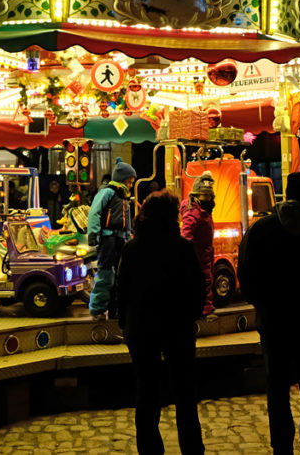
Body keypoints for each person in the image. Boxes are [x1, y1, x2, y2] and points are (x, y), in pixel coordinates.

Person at [238, 172, 300, 455]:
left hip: (274, 320)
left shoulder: (261, 229)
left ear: (285, 193)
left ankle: (282, 445)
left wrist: (263, 305)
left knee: (277, 387)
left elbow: (245, 274)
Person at [117, 190, 206, 455]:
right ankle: (192, 448)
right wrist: (192, 315)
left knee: (147, 394)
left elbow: (122, 289)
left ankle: (150, 449)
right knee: (185, 394)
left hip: (142, 329)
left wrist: (125, 323)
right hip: (177, 327)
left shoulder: (132, 248)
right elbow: (198, 287)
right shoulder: (182, 248)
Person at [87, 157, 137, 320]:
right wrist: (93, 234)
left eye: (131, 182)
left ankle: (115, 310)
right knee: (106, 274)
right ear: (121, 179)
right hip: (107, 239)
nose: (130, 185)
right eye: (129, 182)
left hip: (121, 240)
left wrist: (128, 237)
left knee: (120, 276)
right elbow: (94, 212)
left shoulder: (124, 197)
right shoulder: (107, 192)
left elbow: (127, 221)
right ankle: (97, 310)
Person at [181, 171, 216, 317]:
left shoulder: (201, 210)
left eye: (209, 195)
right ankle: (205, 310)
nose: (207, 198)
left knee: (205, 279)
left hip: (203, 252)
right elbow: (186, 233)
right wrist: (189, 252)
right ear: (196, 195)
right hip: (199, 254)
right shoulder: (194, 212)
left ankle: (202, 308)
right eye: (204, 195)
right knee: (204, 280)